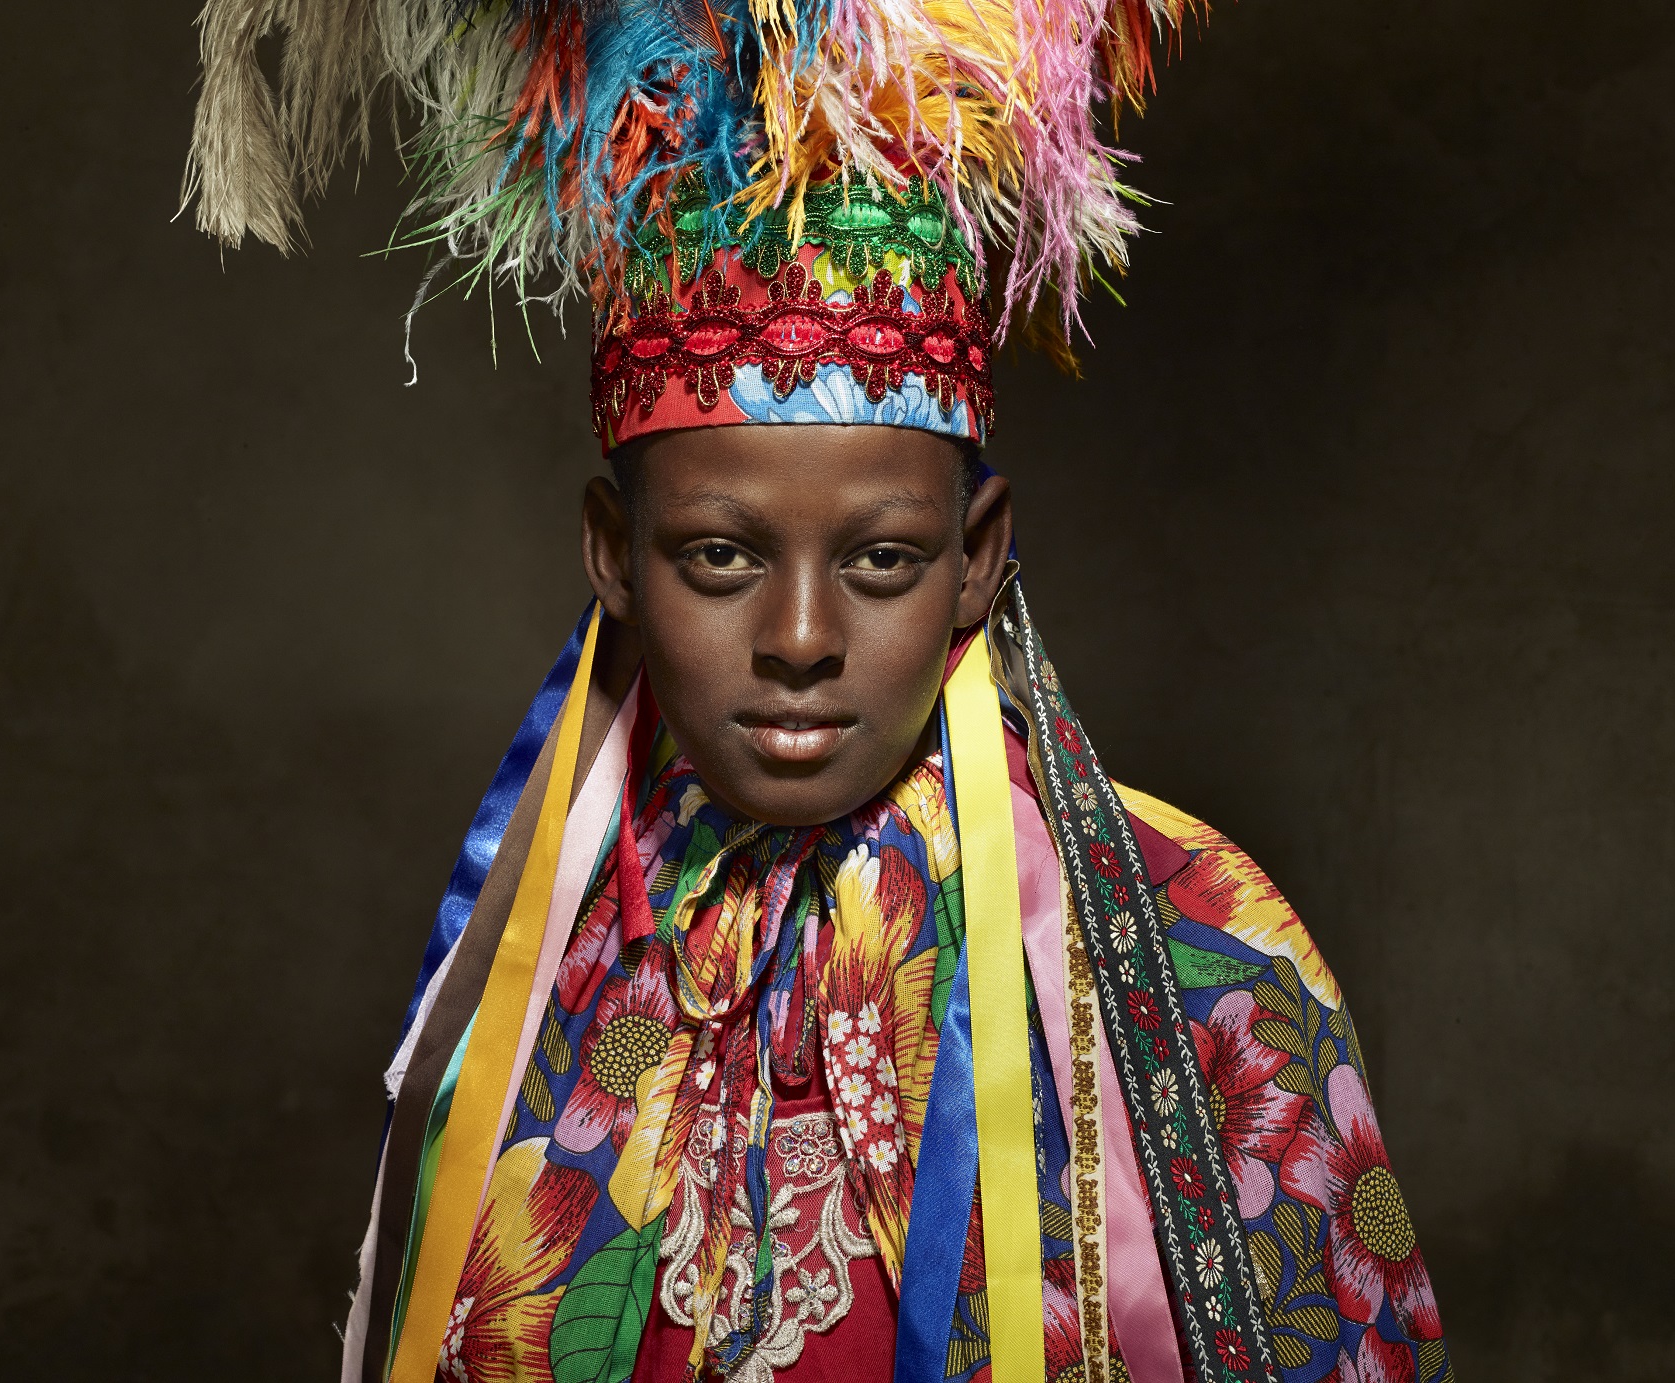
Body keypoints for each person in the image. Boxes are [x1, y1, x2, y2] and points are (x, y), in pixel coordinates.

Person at [184, 1, 1451, 1380]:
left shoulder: (1202, 954)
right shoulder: (532, 977)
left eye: (883, 560)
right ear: (614, 555)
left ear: (976, 561)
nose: (799, 635)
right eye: (719, 557)